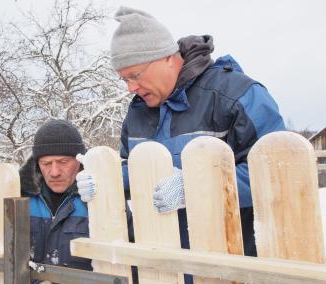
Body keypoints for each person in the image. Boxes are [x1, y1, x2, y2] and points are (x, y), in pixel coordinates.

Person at [77, 6, 286, 280]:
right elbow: (137, 173)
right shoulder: (138, 113)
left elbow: (278, 175)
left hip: (231, 268)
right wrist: (107, 182)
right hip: (161, 270)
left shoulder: (236, 96)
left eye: (135, 75)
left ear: (166, 58)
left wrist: (198, 186)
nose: (130, 88)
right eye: (124, 79)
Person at [20, 119, 92, 271]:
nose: (54, 173)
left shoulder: (101, 196)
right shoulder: (20, 197)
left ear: (79, 161)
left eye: (63, 162)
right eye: (46, 163)